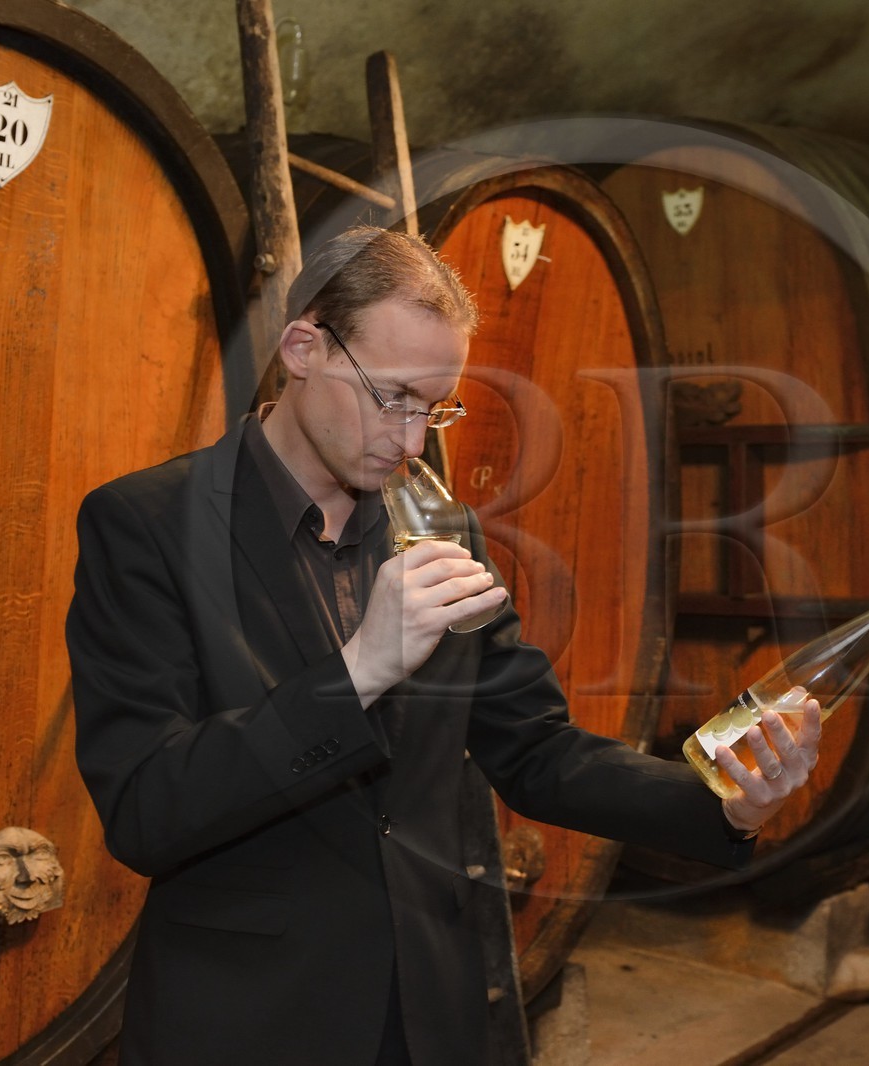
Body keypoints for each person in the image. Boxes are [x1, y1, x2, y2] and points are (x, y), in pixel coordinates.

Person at [65, 225, 822, 1065]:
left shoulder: (440, 527)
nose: (412, 440)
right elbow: (146, 810)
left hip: (429, 1015)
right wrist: (358, 673)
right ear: (304, 348)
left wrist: (721, 802)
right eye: (392, 397)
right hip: (248, 1022)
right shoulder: (150, 525)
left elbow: (536, 750)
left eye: (434, 407)